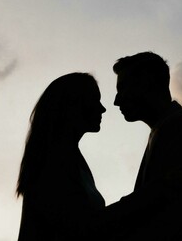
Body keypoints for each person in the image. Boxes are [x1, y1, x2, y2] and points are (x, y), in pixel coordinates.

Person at [106, 52, 182, 240]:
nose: (117, 100)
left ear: (146, 83)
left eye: (123, 88)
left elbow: (165, 202)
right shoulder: (169, 128)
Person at [17, 72, 108, 240]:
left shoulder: (71, 158)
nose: (102, 108)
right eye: (95, 100)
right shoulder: (53, 165)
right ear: (74, 105)